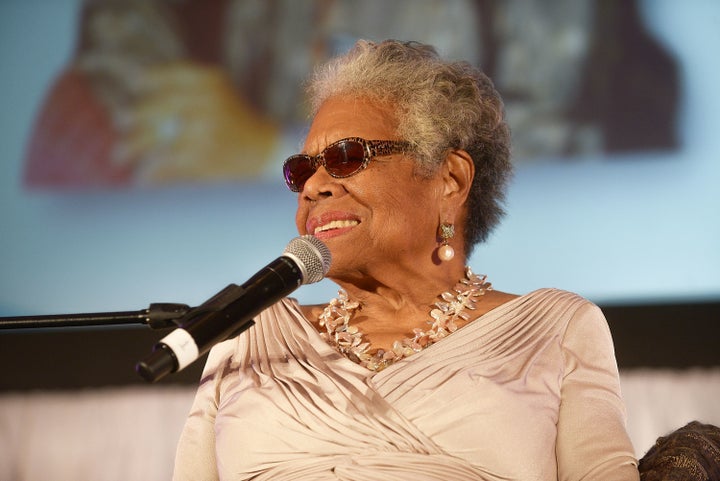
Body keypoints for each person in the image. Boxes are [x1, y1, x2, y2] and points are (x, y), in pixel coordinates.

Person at [173, 39, 640, 480]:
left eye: (346, 156)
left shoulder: (556, 330)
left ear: (451, 179)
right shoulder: (249, 336)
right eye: (301, 170)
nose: (314, 186)